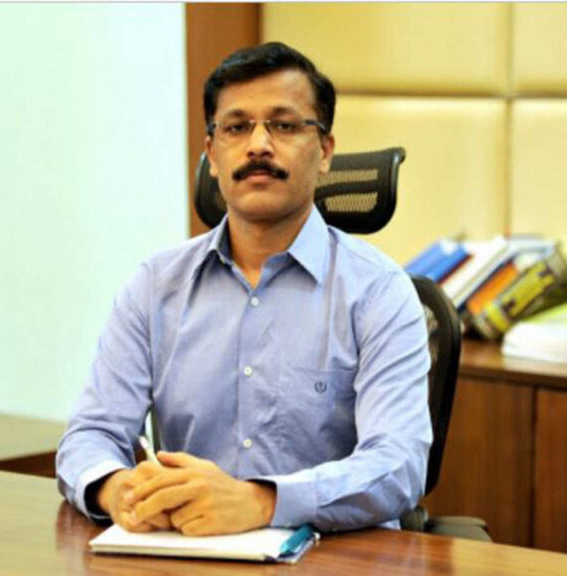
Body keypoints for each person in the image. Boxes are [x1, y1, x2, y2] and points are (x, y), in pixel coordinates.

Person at [56, 42, 431, 536]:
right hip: (185, 551)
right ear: (212, 154)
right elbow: (90, 435)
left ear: (325, 152)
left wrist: (260, 501)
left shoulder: (380, 292)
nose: (258, 145)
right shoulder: (155, 286)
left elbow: (398, 464)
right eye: (236, 127)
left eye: (284, 125)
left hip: (335, 555)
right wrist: (120, 489)